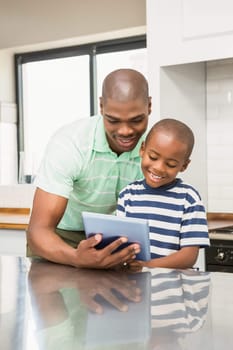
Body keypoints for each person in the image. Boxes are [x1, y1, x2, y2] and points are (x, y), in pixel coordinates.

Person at [27, 68, 152, 269]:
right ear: (101, 106)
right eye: (113, 120)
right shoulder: (71, 143)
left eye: (136, 120)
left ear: (149, 106)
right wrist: (77, 257)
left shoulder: (153, 149)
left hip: (115, 239)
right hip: (61, 238)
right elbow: (38, 231)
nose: (125, 131)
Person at [116, 118, 210, 269]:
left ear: (184, 165)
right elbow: (121, 244)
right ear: (142, 150)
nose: (159, 168)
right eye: (153, 157)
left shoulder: (189, 198)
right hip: (136, 286)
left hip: (173, 288)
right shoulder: (127, 195)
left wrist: (148, 265)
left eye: (171, 164)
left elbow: (189, 256)